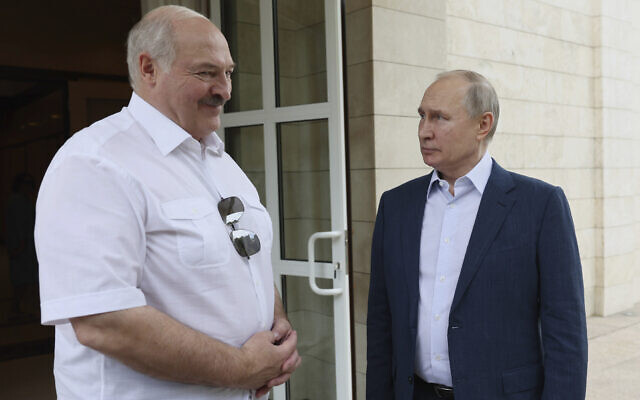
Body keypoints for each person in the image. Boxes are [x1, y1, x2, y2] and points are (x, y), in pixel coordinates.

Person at [35, 6, 300, 399]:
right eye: (206, 72)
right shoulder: (94, 163)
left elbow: (246, 256)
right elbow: (104, 321)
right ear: (148, 69)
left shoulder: (222, 163)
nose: (225, 90)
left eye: (228, 73)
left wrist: (274, 319)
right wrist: (242, 368)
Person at [366, 70, 587, 400]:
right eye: (422, 116)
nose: (424, 131)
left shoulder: (540, 206)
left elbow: (566, 335)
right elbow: (381, 323)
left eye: (440, 118)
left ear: (483, 124)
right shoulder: (395, 205)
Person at [5, 173, 39, 320]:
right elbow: (19, 225)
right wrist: (20, 246)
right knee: (22, 280)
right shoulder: (17, 201)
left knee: (26, 279)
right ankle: (18, 308)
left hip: (26, 245)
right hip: (21, 246)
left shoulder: (23, 201)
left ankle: (20, 308)